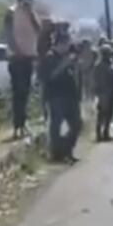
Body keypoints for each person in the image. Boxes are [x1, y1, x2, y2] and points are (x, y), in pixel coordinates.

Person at [37, 23, 82, 163]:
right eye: (66, 43)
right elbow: (48, 77)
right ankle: (57, 154)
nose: (68, 46)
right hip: (56, 96)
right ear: (59, 44)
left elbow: (75, 75)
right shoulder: (50, 57)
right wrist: (64, 64)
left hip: (71, 95)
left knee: (77, 124)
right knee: (55, 126)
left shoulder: (68, 57)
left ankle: (67, 150)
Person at [2, 0, 42, 139]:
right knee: (18, 93)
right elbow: (8, 35)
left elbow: (38, 29)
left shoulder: (31, 14)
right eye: (26, 1)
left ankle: (23, 124)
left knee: (25, 93)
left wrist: (32, 14)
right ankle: (18, 126)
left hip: (28, 57)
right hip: (16, 59)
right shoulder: (11, 13)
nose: (29, 4)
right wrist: (17, 50)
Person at [93, 43, 113, 142]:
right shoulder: (100, 66)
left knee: (109, 115)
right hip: (104, 93)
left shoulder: (109, 65)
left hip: (110, 93)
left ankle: (105, 133)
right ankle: (99, 134)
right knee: (102, 115)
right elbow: (96, 81)